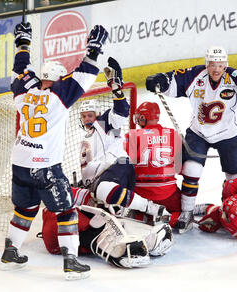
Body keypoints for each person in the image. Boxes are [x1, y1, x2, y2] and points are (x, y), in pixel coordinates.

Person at [0, 22, 108, 281]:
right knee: (66, 211)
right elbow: (86, 72)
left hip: (20, 163)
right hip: (45, 165)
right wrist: (93, 49)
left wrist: (22, 44)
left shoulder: (23, 92)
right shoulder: (59, 95)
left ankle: (11, 251)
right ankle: (71, 261)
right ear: (58, 79)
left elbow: (20, 69)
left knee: (25, 209)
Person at [145, 46, 237, 233]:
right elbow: (172, 79)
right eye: (212, 64)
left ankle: (231, 212)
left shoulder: (235, 77)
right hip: (199, 133)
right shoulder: (195, 75)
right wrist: (161, 80)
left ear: (225, 64)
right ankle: (186, 212)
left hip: (228, 134)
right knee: (191, 169)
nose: (216, 69)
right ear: (207, 64)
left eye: (220, 65)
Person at [78, 57, 170, 223]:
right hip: (102, 179)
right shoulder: (86, 138)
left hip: (118, 169)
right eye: (84, 116)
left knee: (103, 190)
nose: (87, 119)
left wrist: (116, 88)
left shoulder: (104, 124)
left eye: (90, 115)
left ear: (97, 114)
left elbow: (122, 111)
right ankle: (127, 211)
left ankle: (152, 208)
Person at [37, 186, 173, 268]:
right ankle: (119, 250)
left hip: (63, 233)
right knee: (100, 221)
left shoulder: (76, 193)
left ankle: (140, 238)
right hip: (57, 231)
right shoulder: (61, 199)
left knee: (109, 219)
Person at [124, 101, 184, 229]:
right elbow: (179, 168)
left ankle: (144, 217)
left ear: (142, 117)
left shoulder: (133, 136)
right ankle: (173, 219)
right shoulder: (173, 134)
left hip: (141, 195)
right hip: (168, 194)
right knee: (184, 209)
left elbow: (125, 166)